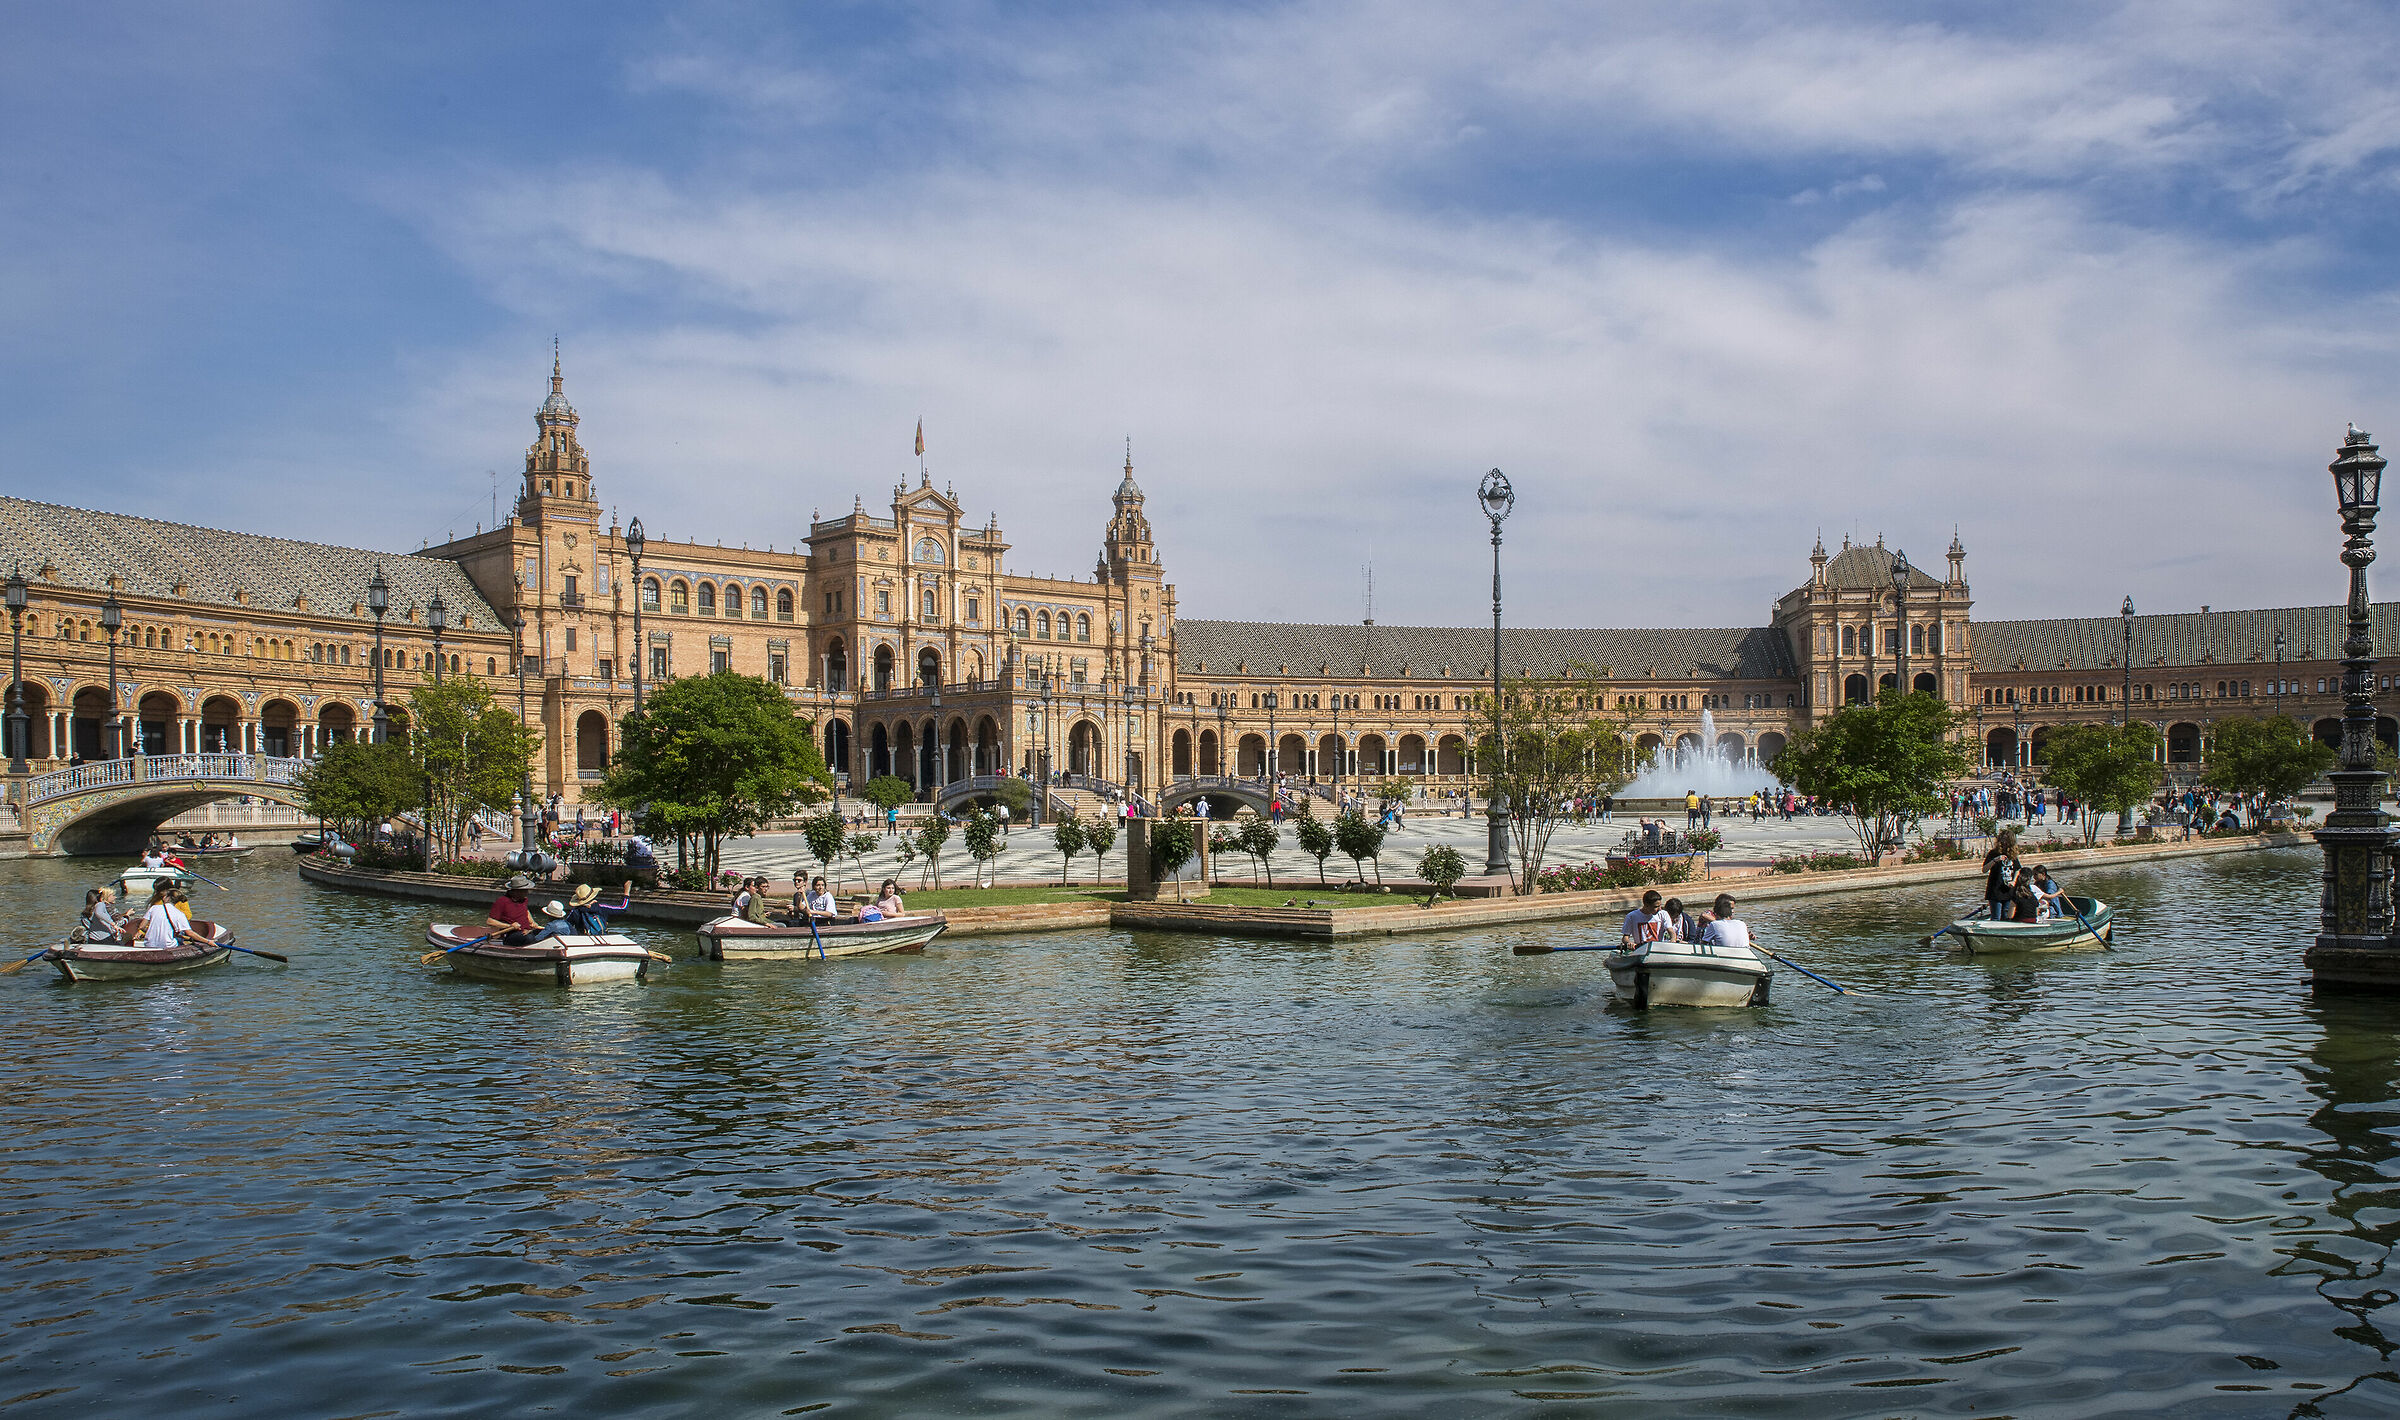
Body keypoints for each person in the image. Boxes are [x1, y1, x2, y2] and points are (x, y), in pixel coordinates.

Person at [482, 874, 541, 946]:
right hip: (511, 935)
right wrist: (509, 926)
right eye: (525, 890)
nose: (527, 892)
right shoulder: (502, 901)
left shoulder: (524, 899)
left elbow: (526, 911)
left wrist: (532, 922)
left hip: (527, 931)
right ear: (516, 891)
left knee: (543, 933)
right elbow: (490, 921)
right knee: (529, 938)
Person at [141, 884, 196, 951]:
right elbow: (190, 933)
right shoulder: (180, 914)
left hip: (149, 945)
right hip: (168, 946)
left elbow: (141, 927)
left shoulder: (153, 908)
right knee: (180, 935)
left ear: (165, 898)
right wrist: (208, 941)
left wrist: (151, 932)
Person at [1982, 831, 2021, 920]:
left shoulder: (2012, 854)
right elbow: (1984, 869)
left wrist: (2014, 880)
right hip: (1995, 890)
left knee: (2006, 916)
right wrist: (1995, 860)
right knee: (1996, 916)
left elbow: (2017, 869)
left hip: (2008, 890)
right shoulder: (1993, 853)